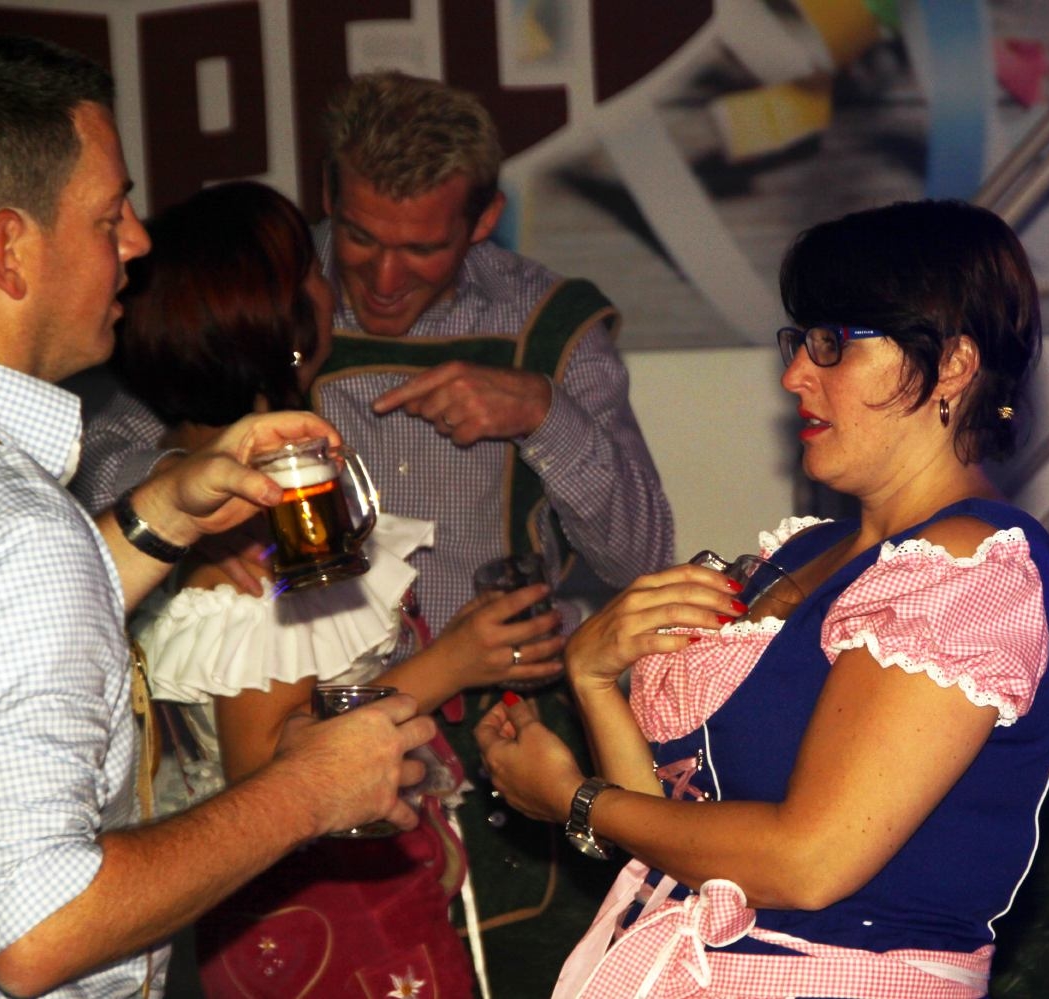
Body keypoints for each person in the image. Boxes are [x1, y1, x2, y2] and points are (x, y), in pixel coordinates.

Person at [71, 70, 675, 994]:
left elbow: (643, 556)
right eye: (357, 237)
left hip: (504, 762)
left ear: (484, 219)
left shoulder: (542, 326)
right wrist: (192, 508)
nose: (382, 279)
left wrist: (544, 414)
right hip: (315, 808)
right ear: (327, 197)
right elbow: (104, 463)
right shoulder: (251, 294)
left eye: (422, 247)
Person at [475, 199, 1049, 998]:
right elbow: (680, 845)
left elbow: (808, 860)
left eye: (834, 344)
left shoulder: (969, 566)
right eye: (801, 341)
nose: (796, 374)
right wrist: (592, 683)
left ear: (953, 364)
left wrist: (574, 800)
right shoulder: (805, 554)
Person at [0, 31, 436, 998]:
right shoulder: (15, 523)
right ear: (10, 250)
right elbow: (37, 924)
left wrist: (161, 515)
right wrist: (308, 789)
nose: (137, 241)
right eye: (108, 215)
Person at [114, 179, 566, 997]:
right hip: (321, 923)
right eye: (309, 273)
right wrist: (454, 662)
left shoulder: (191, 482)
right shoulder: (253, 521)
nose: (330, 287)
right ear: (281, 319)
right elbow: (268, 768)